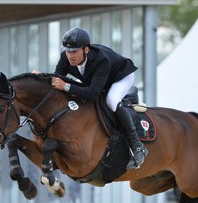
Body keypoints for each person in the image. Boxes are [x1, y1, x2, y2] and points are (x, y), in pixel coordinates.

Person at [51, 27, 147, 169]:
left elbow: (93, 93)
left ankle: (137, 146)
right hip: (99, 80)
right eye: (68, 51)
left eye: (74, 51)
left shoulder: (101, 59)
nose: (70, 55)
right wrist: (40, 77)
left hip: (121, 77)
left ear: (86, 50)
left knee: (111, 100)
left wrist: (66, 86)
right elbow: (57, 79)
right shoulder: (65, 58)